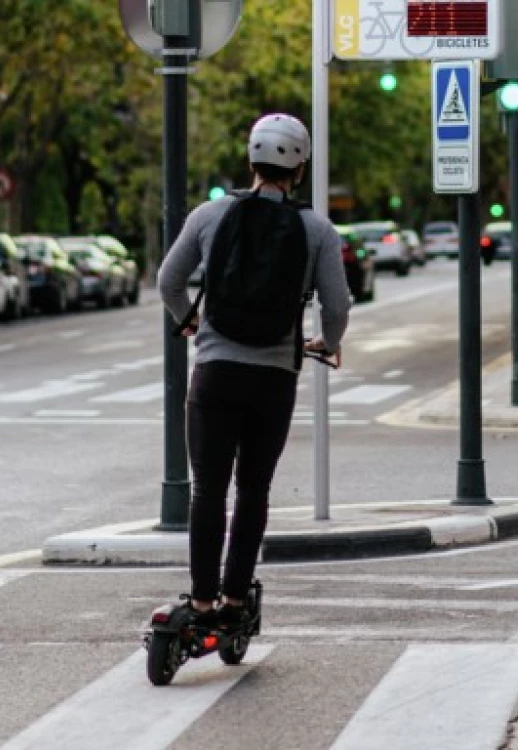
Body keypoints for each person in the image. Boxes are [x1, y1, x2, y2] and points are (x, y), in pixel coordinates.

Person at [158, 113, 351, 627]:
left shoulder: (207, 216)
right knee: (253, 489)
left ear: (251, 160)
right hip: (273, 380)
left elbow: (167, 282)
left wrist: (191, 321)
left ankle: (200, 603)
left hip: (215, 376)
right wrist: (326, 343)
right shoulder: (316, 229)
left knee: (207, 490)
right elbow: (337, 305)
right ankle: (237, 603)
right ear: (300, 169)